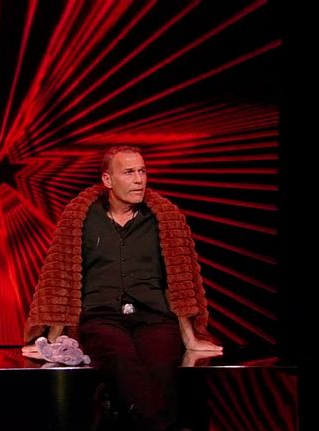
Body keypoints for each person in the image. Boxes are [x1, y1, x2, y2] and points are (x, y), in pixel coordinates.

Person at [24, 146, 222, 431]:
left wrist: (189, 337)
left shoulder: (164, 219)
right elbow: (62, 277)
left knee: (161, 365)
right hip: (102, 317)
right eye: (129, 172)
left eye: (142, 171)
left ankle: (121, 416)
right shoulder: (81, 218)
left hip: (153, 317)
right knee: (121, 359)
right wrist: (52, 340)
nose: (139, 180)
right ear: (107, 179)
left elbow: (178, 283)